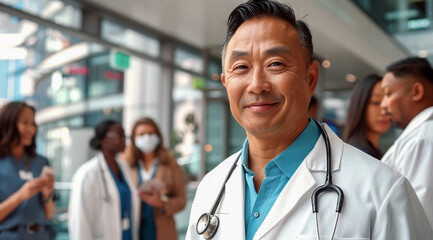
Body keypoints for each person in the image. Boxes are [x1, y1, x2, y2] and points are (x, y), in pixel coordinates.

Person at [186, 1, 433, 239]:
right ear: (225, 83)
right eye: (241, 67)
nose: (257, 85)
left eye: (276, 64)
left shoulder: (382, 192)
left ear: (311, 78)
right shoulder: (211, 188)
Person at [380, 57, 433, 229]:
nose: (384, 105)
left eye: (388, 93)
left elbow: (420, 216)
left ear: (416, 91)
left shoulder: (423, 139)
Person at [68, 119, 140, 240]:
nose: (124, 140)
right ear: (103, 139)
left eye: (124, 136)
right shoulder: (87, 174)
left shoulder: (124, 168)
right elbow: (80, 221)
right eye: (119, 136)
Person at [0, 101, 56, 240]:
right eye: (25, 123)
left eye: (33, 124)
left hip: (41, 235)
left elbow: (49, 215)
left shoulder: (41, 162)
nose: (31, 129)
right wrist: (21, 195)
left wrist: (46, 195)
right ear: (9, 124)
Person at [123, 117, 186, 240]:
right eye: (141, 134)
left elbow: (182, 200)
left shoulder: (171, 165)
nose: (147, 137)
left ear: (158, 137)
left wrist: (162, 204)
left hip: (162, 230)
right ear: (134, 138)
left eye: (151, 133)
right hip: (133, 229)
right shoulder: (126, 165)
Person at [344, 74, 391, 159]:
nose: (384, 111)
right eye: (376, 103)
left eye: (387, 103)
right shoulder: (357, 155)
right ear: (360, 104)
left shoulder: (375, 153)